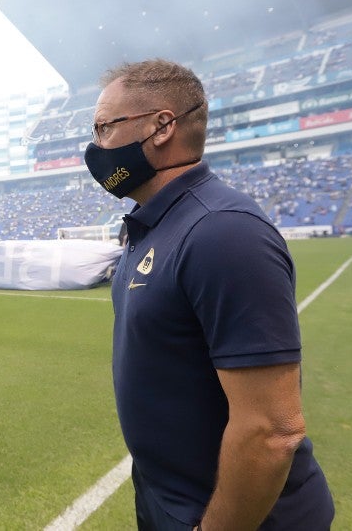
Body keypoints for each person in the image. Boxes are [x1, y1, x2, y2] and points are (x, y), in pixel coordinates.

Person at [85, 59, 333, 530]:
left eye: (104, 128)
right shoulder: (151, 227)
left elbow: (272, 430)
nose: (96, 147)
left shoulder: (222, 232)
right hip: (169, 499)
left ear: (161, 127)